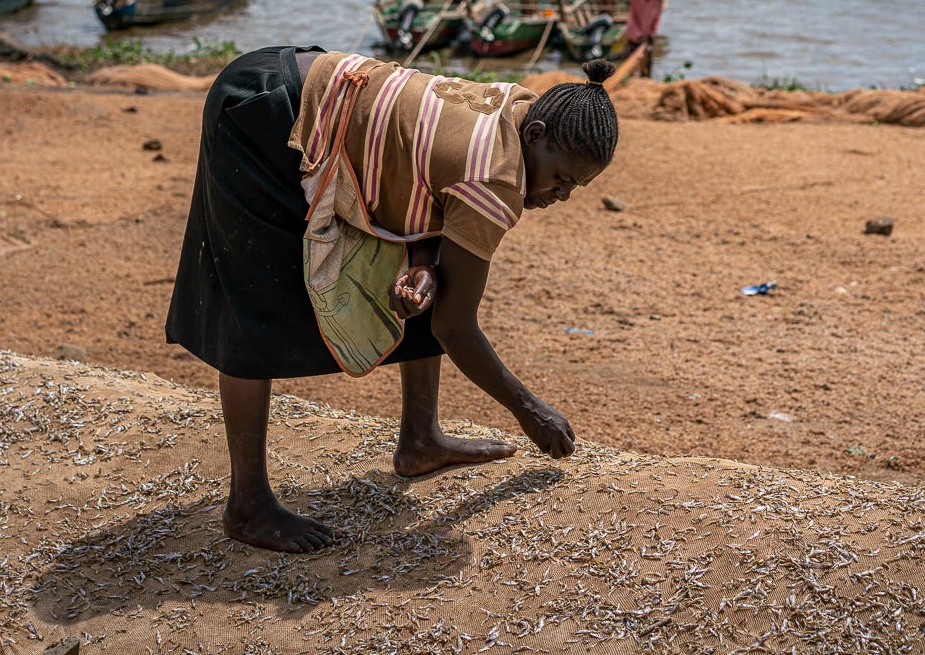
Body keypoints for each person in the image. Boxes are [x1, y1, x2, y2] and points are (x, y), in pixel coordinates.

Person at [166, 46, 619, 553]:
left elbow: (425, 176)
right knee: (256, 302)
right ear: (535, 137)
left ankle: (420, 441)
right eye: (560, 179)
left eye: (577, 187)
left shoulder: (517, 106)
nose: (561, 197)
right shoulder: (495, 181)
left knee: (436, 285)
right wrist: (530, 410)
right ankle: (247, 504)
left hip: (306, 84)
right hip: (264, 111)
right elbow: (456, 328)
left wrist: (423, 264)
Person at [624, 0, 665, 78]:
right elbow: (632, 15)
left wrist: (651, 33)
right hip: (633, 33)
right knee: (630, 60)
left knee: (647, 62)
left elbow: (657, 18)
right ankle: (630, 79)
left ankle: (645, 79)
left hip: (648, 35)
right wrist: (637, 33)